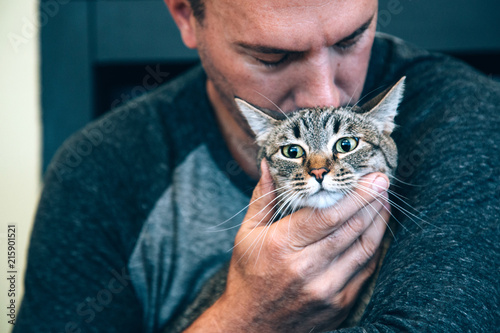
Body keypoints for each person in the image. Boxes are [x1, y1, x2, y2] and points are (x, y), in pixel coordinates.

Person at [14, 0, 500, 332]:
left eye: (351, 38)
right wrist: (246, 317)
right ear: (186, 14)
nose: (324, 96)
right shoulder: (96, 173)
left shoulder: (471, 122)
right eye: (273, 56)